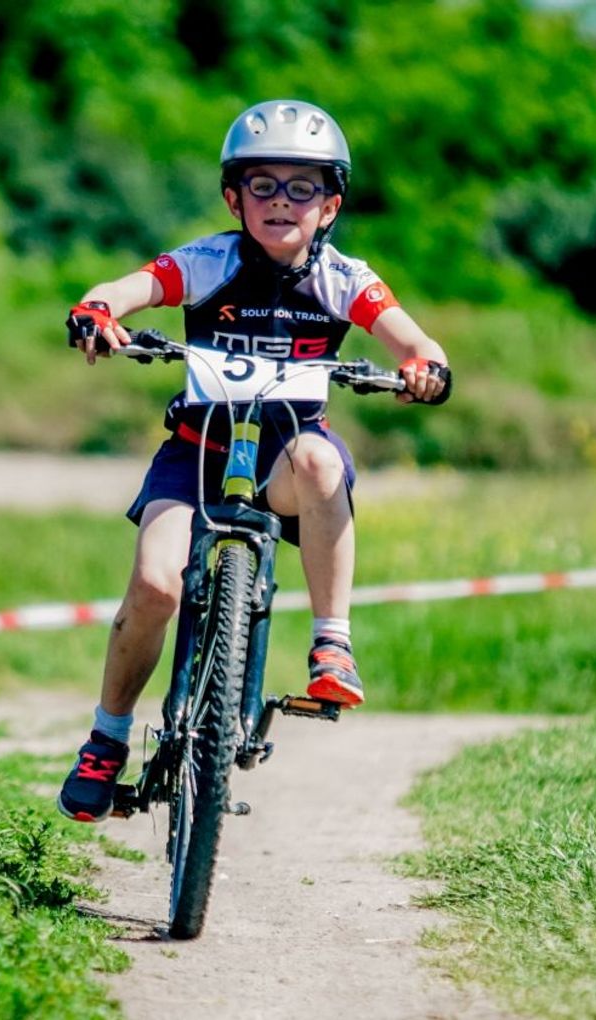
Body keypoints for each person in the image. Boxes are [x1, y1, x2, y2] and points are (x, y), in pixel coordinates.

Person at [57, 99, 451, 823]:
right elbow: (126, 289)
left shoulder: (345, 278)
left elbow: (415, 341)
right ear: (233, 198)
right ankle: (106, 740)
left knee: (322, 462)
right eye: (262, 185)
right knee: (155, 585)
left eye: (302, 188)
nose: (280, 202)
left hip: (282, 465)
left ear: (330, 206)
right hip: (197, 453)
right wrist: (99, 312)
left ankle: (332, 645)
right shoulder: (206, 262)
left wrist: (424, 367)